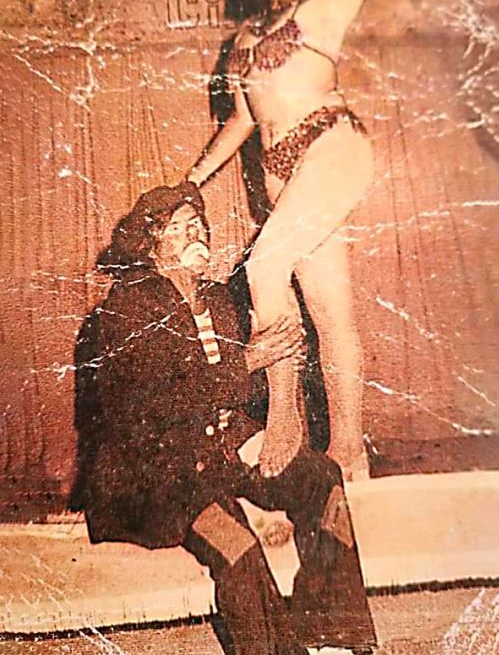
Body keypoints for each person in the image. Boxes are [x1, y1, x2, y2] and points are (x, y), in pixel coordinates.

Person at [70, 183, 377, 655]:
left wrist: (265, 426)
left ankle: (331, 629)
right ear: (150, 245)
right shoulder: (124, 311)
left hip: (218, 452)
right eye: (178, 228)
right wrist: (249, 360)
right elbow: (155, 409)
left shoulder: (217, 300)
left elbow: (239, 391)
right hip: (156, 476)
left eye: (197, 224)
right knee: (237, 546)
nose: (195, 234)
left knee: (321, 480)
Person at [187, 0, 386, 480]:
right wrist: (192, 179)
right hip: (281, 172)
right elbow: (243, 122)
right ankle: (348, 451)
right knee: (330, 312)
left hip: (330, 146)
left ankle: (283, 417)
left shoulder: (325, 10)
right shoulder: (243, 41)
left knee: (264, 265)